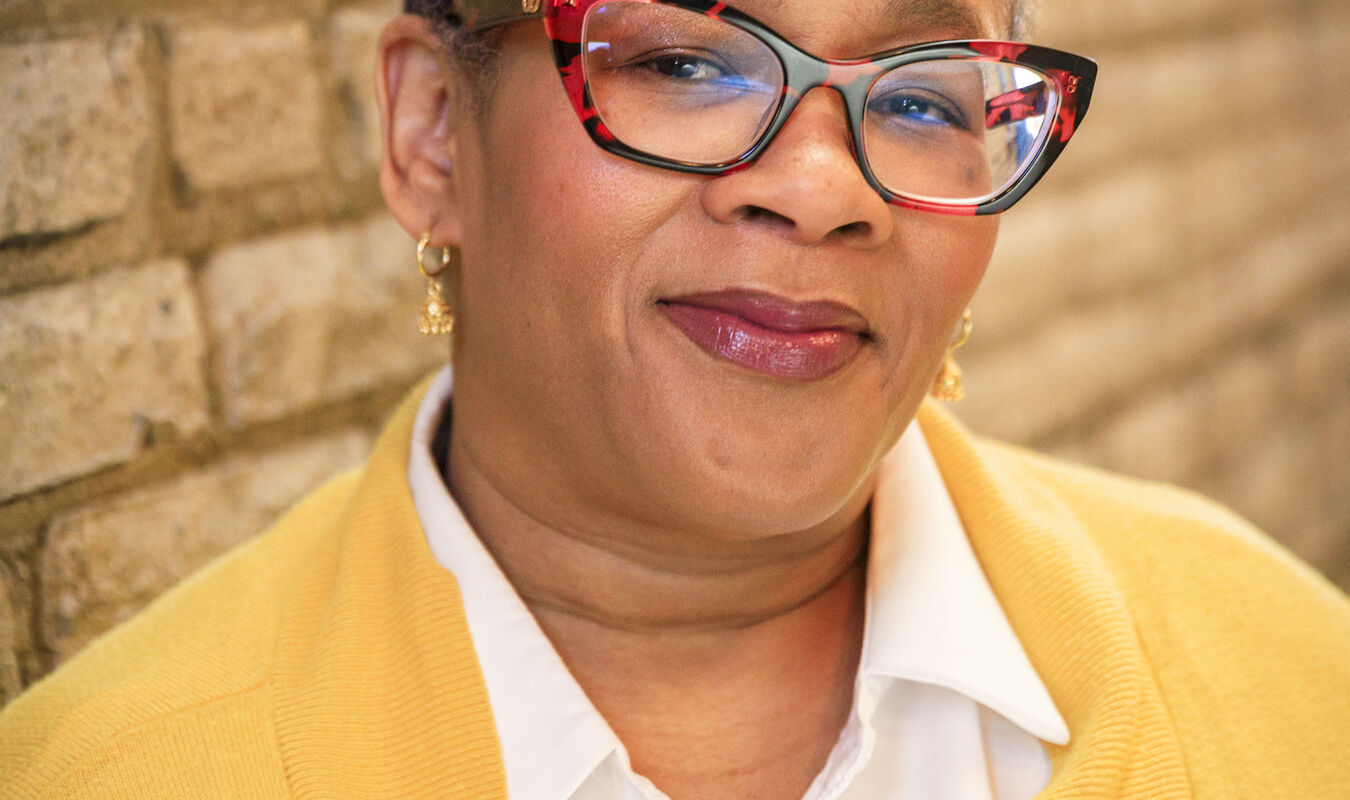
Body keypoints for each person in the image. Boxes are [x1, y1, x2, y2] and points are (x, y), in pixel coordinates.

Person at [2, 0, 1348, 797]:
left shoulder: (1284, 675)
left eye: (925, 94)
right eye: (687, 63)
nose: (821, 189)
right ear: (428, 136)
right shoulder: (114, 771)